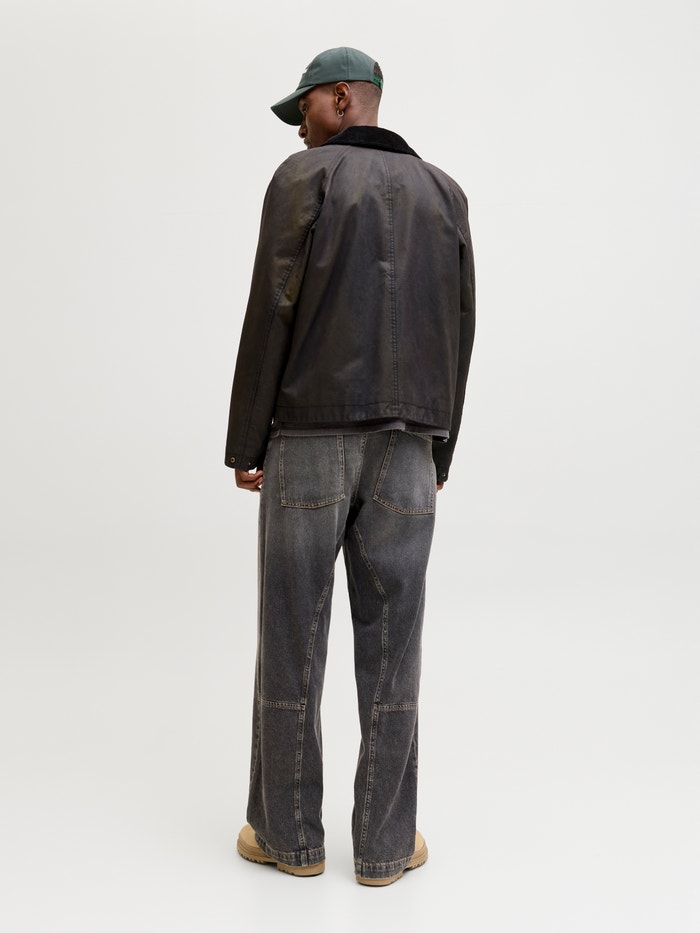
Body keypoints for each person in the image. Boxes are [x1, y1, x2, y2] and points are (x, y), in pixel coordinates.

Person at [224, 46, 476, 885]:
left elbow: (272, 307)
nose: (299, 126)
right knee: (395, 646)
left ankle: (288, 837)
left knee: (292, 638)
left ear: (341, 98)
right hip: (411, 447)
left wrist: (246, 442)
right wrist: (441, 447)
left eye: (303, 108)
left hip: (309, 438)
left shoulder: (305, 178)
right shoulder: (446, 192)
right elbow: (461, 325)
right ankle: (386, 847)